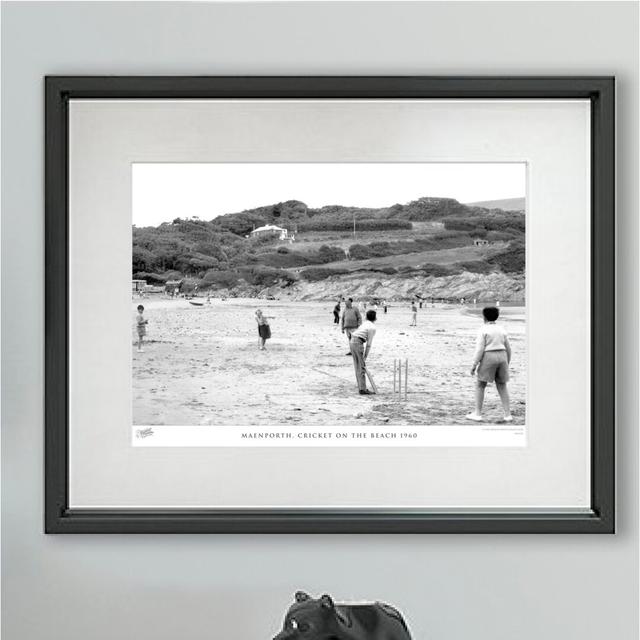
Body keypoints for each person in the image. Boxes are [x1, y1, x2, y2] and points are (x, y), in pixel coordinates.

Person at [466, 306, 513, 423]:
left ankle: (477, 413)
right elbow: (508, 348)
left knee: (480, 385)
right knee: (502, 385)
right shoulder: (502, 329)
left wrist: (474, 365)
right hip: (502, 355)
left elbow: (480, 349)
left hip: (489, 356)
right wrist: (507, 362)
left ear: (484, 317)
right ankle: (508, 415)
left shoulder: (483, 329)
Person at [349, 309, 377, 395]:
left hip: (352, 341)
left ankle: (361, 387)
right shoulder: (372, 327)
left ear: (366, 317)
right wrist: (365, 357)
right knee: (361, 367)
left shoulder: (365, 324)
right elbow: (369, 344)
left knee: (358, 366)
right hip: (357, 342)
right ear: (375, 318)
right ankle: (363, 389)